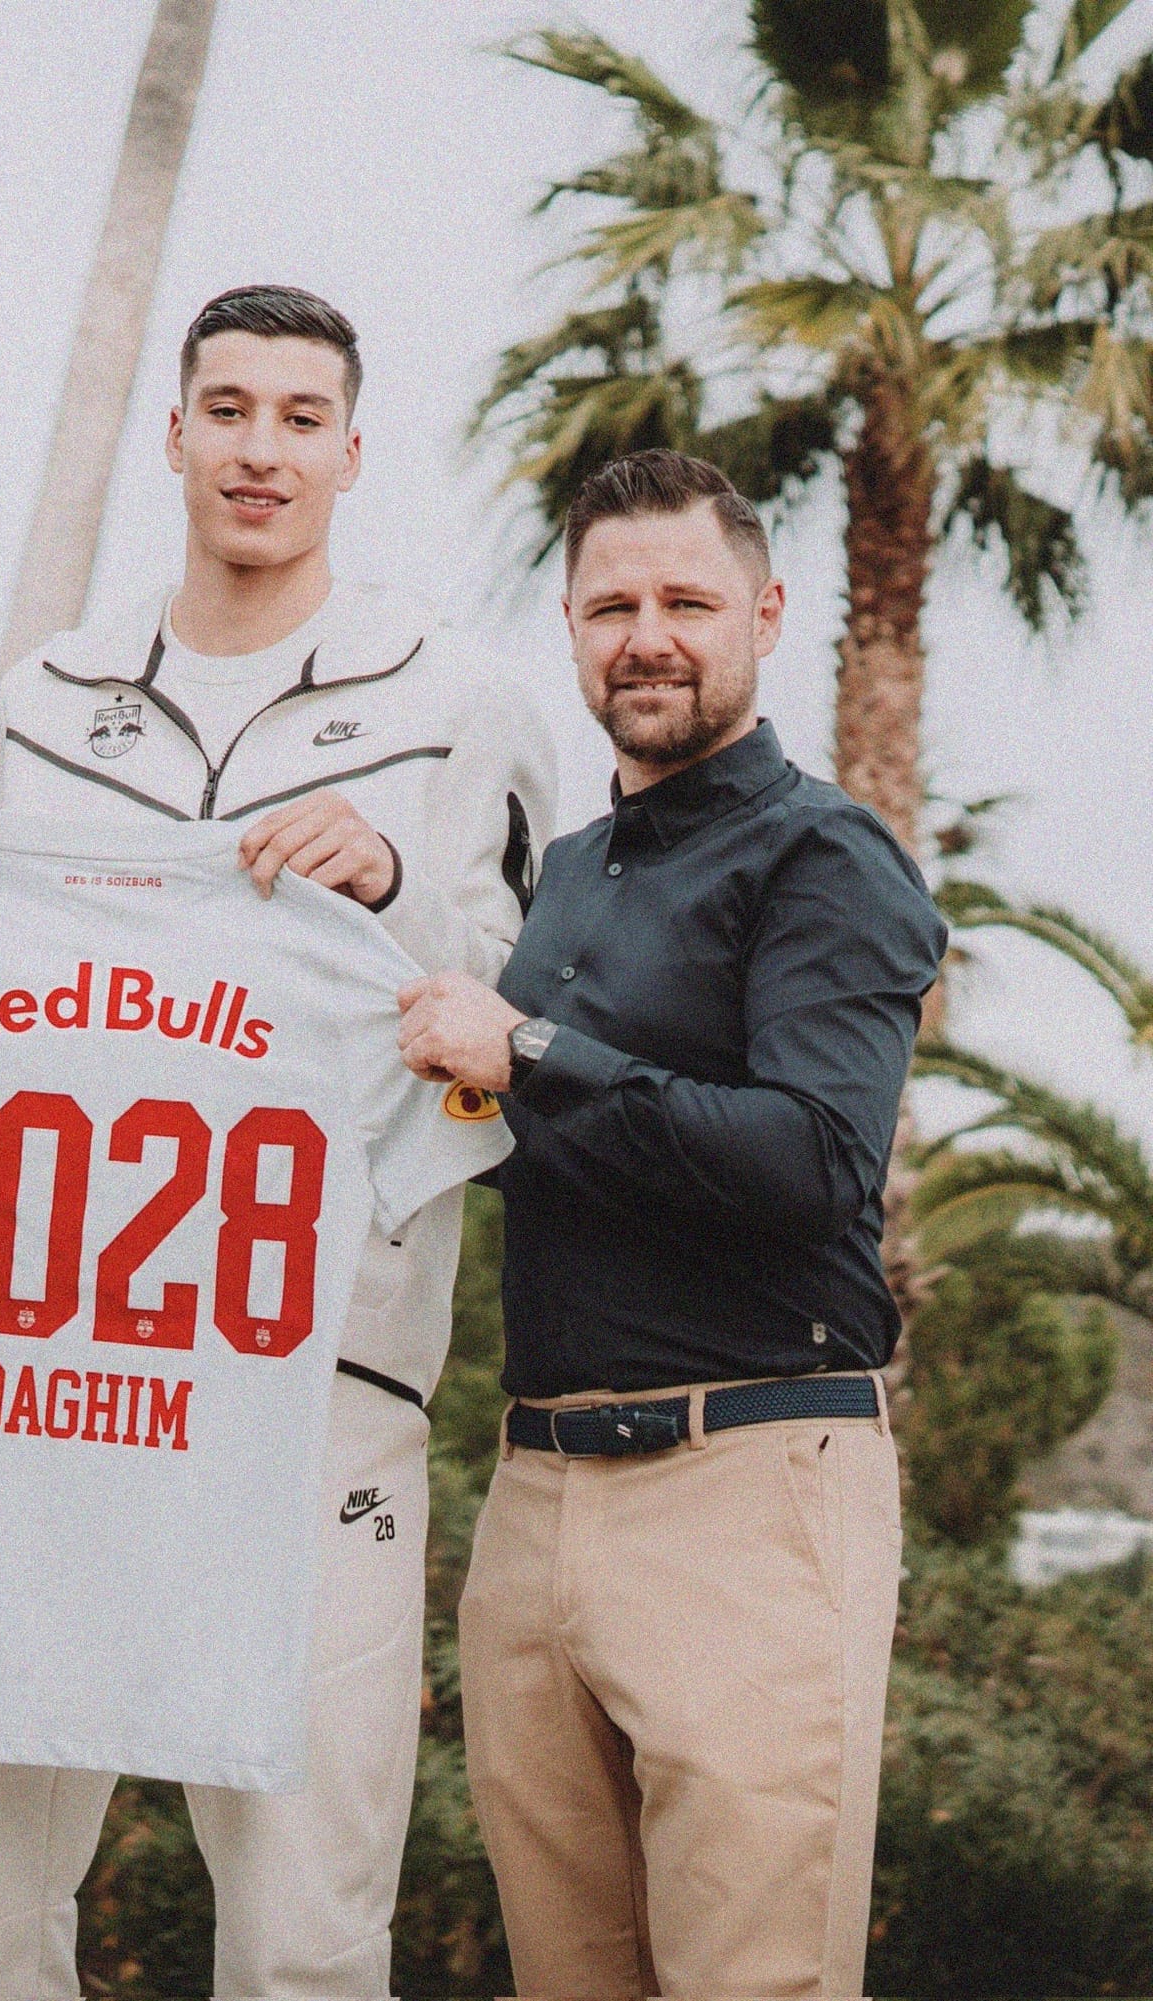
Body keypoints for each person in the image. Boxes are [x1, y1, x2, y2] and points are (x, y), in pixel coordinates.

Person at [0, 285, 556, 1999]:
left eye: (300, 416)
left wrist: (396, 892)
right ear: (172, 433)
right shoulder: (44, 695)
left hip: (316, 1373)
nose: (262, 449)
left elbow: (525, 1031)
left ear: (351, 449)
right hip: (42, 1376)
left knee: (305, 1937)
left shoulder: (462, 697)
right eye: (230, 410)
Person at [396, 449, 947, 1998]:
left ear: (766, 613)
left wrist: (534, 1053)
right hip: (536, 1499)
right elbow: (535, 1140)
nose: (648, 634)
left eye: (688, 601)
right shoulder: (567, 878)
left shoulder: (824, 856)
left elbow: (814, 1162)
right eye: (612, 603)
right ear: (570, 626)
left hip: (751, 1489)